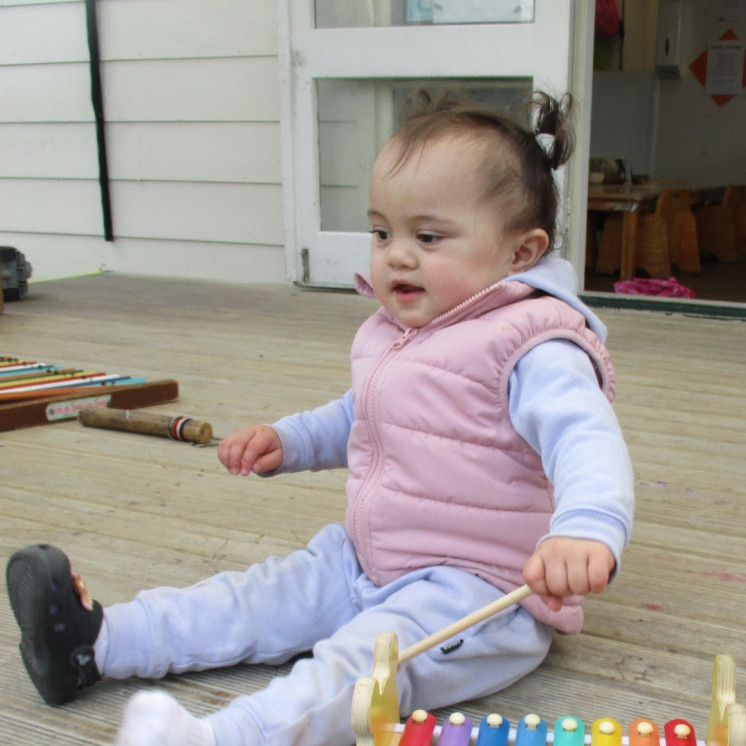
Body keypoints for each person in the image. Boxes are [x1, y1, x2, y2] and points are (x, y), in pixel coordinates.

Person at [6, 90, 634, 746]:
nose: (396, 254)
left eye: (427, 236)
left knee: (361, 666)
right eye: (381, 231)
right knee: (254, 598)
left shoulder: (534, 346)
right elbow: (364, 414)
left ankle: (225, 737)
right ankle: (97, 642)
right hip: (366, 561)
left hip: (476, 597)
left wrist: (585, 532)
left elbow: (584, 440)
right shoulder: (403, 331)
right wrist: (291, 439)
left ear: (520, 253)